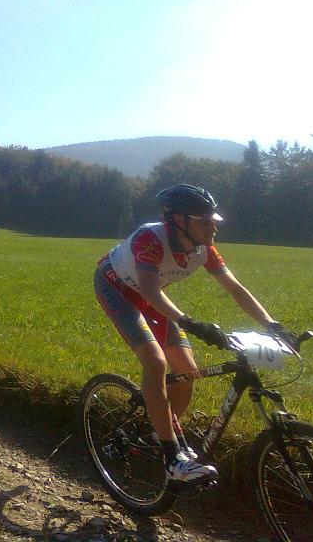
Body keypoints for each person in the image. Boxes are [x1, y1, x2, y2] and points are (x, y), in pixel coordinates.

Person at [94, 184, 288, 484]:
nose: (213, 227)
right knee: (156, 363)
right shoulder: (151, 238)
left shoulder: (204, 249)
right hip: (117, 289)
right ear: (179, 221)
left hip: (152, 297)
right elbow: (149, 290)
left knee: (188, 371)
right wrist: (190, 322)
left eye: (214, 220)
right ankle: (173, 460)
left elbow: (236, 289)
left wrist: (272, 325)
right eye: (204, 221)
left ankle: (161, 435)